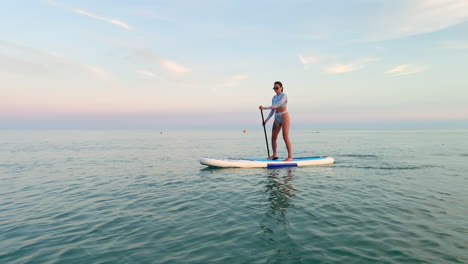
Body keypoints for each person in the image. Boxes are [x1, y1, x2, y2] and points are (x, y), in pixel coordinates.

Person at [259, 81, 293, 161]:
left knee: (285, 136)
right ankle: (274, 155)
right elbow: (273, 110)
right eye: (274, 88)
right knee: (273, 137)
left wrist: (264, 108)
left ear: (281, 88)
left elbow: (277, 105)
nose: (275, 89)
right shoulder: (274, 98)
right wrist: (266, 120)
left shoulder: (284, 96)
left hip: (284, 116)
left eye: (277, 88)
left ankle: (290, 157)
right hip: (277, 117)